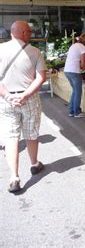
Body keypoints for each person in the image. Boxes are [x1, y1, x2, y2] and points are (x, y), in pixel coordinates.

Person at [0, 21, 46, 193]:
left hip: (6, 100)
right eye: (30, 32)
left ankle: (14, 176)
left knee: (11, 137)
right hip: (29, 99)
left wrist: (8, 96)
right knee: (31, 133)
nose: (31, 34)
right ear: (24, 33)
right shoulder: (35, 52)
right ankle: (34, 164)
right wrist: (25, 95)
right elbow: (41, 78)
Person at [64, 33, 85, 118]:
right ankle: (77, 112)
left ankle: (71, 111)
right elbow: (83, 63)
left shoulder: (74, 45)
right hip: (74, 71)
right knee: (78, 92)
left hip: (67, 71)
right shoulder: (82, 47)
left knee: (75, 91)